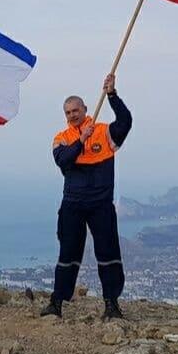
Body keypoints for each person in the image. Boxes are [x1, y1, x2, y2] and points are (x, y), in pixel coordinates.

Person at [41, 74, 133, 320]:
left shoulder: (103, 132)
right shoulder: (62, 138)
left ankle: (112, 304)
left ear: (85, 109)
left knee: (108, 253)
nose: (72, 115)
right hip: (72, 204)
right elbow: (63, 161)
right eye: (68, 112)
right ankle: (56, 302)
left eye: (75, 110)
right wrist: (81, 140)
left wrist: (112, 95)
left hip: (101, 204)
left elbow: (125, 121)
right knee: (68, 254)